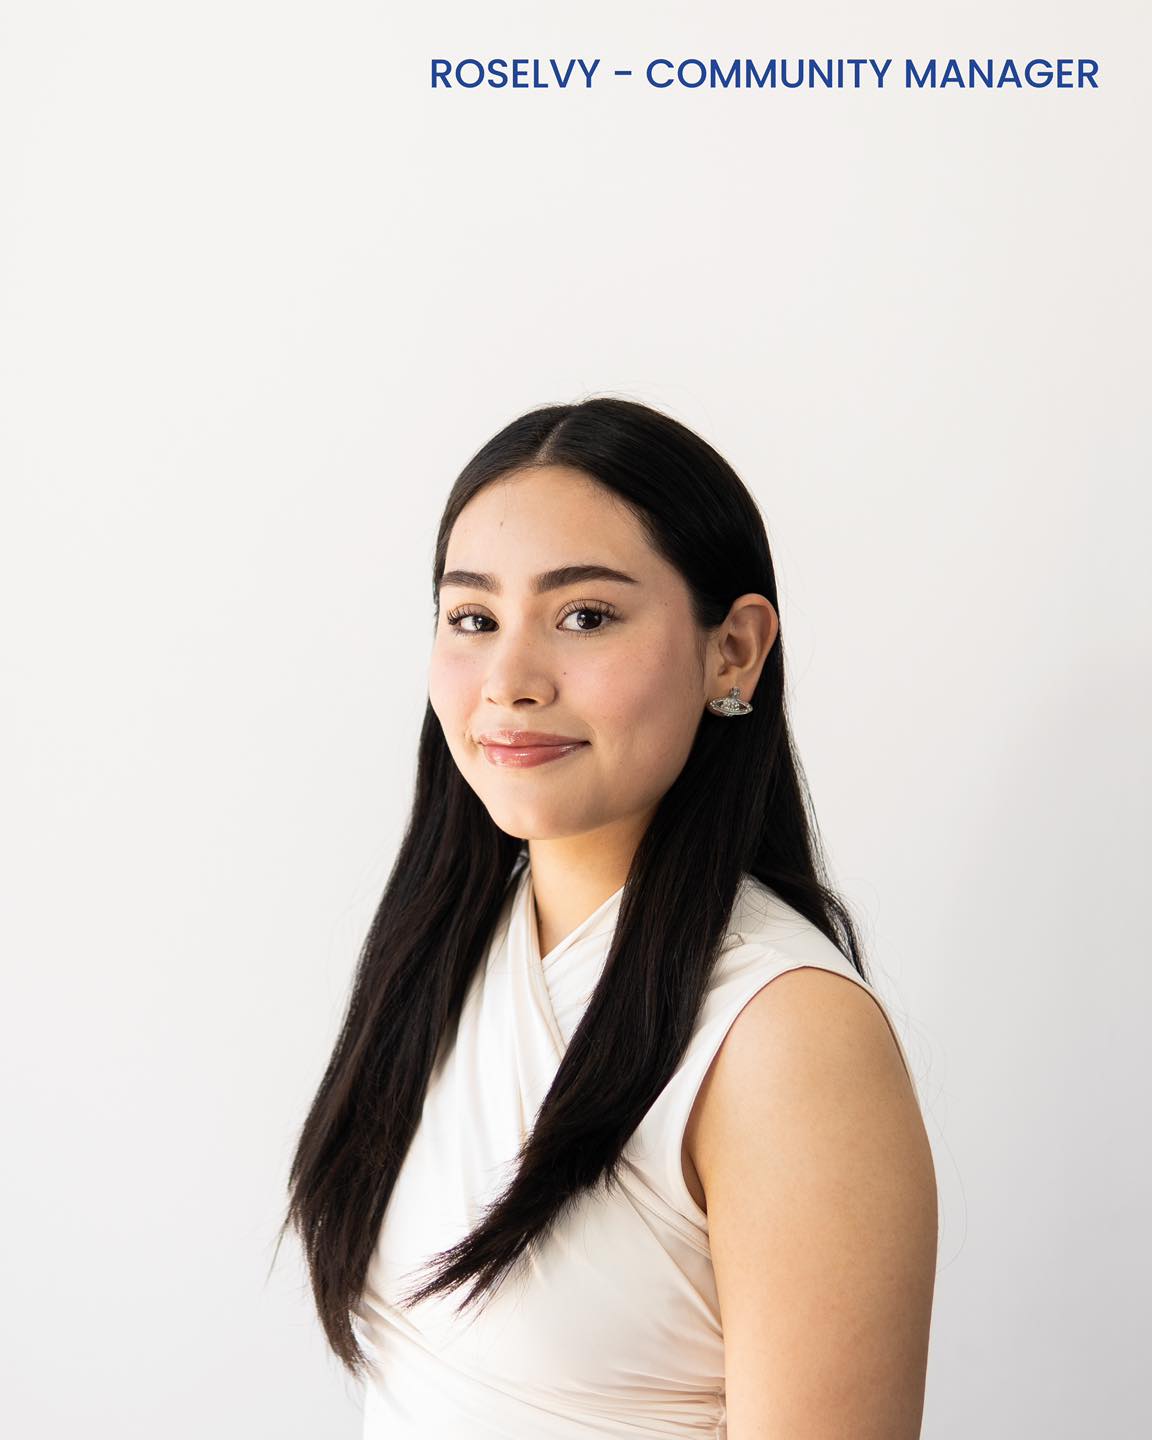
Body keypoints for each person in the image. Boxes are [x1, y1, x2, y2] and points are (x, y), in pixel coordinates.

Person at [277, 396, 939, 1438]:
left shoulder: (784, 1035)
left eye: (584, 616)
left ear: (734, 652)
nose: (510, 682)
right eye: (473, 619)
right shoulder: (448, 948)